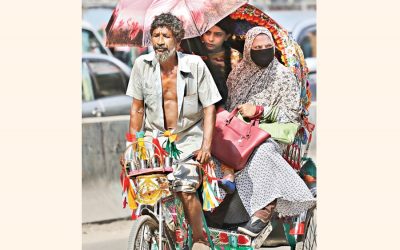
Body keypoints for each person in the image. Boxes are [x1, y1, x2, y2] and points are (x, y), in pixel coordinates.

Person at [125, 13, 221, 249]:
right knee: (146, 187)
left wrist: (206, 146)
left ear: (178, 42)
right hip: (153, 141)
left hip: (188, 142)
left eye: (165, 36)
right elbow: (137, 110)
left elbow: (209, 107)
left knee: (185, 187)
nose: (159, 41)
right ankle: (159, 227)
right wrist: (131, 147)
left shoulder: (195, 65)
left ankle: (198, 238)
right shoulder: (141, 66)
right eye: (156, 35)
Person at [216, 26, 316, 237]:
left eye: (267, 46)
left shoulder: (283, 76)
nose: (263, 50)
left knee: (262, 153)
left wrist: (260, 111)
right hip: (240, 134)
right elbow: (230, 107)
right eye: (257, 47)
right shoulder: (237, 74)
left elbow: (291, 115)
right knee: (214, 154)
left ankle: (264, 211)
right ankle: (218, 213)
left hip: (270, 134)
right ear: (248, 50)